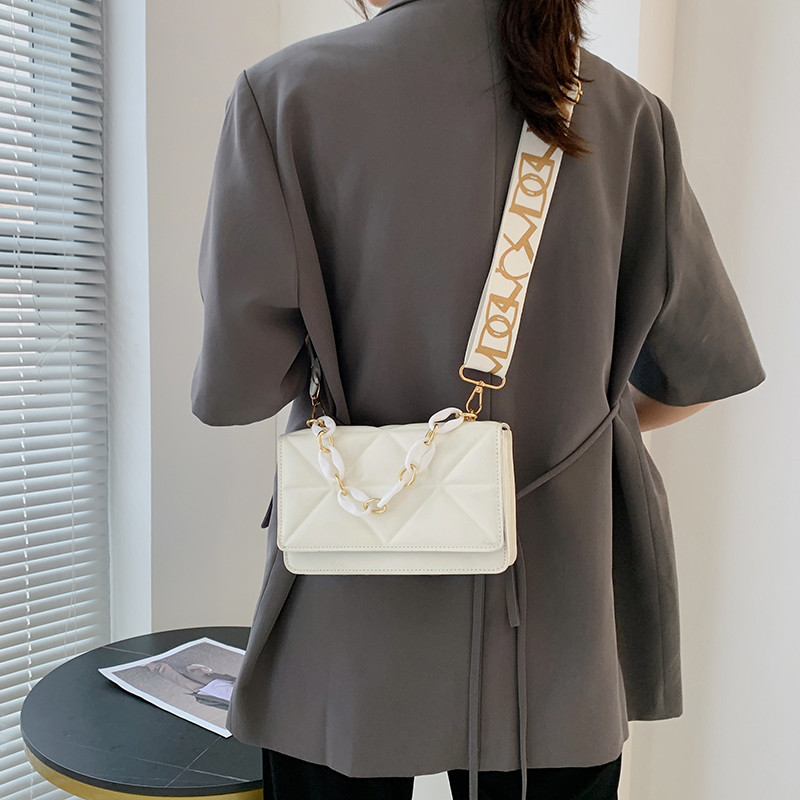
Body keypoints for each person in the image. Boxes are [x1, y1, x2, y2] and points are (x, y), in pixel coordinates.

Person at [189, 0, 767, 798]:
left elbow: (236, 390)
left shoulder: (283, 96)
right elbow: (703, 373)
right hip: (553, 635)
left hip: (348, 620)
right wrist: (572, 427)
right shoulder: (627, 113)